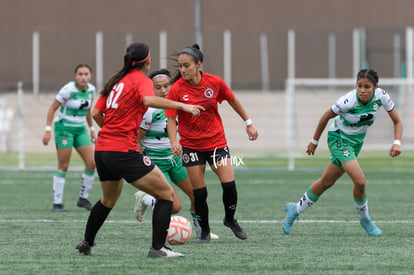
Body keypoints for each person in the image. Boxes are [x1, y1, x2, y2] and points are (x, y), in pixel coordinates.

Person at [75, 42, 203, 258]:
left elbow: (97, 113)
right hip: (123, 151)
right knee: (166, 195)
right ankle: (158, 248)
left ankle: (87, 242)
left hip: (103, 151)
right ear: (148, 61)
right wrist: (182, 106)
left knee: (107, 201)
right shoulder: (140, 81)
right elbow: (147, 99)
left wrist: (111, 133)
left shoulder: (114, 82)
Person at [282, 68, 403, 237]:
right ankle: (365, 220)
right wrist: (314, 141)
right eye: (359, 85)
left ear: (375, 87)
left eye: (367, 86)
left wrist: (396, 143)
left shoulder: (382, 96)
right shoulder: (348, 100)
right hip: (338, 139)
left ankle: (294, 210)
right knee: (360, 181)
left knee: (326, 181)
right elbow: (325, 116)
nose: (362, 90)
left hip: (356, 143)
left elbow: (397, 121)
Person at [165, 44, 259, 243]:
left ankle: (230, 220)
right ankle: (205, 231)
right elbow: (171, 119)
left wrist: (248, 123)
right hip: (191, 146)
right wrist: (174, 141)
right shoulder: (176, 89)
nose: (182, 70)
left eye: (187, 66)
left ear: (198, 64)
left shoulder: (214, 83)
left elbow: (233, 100)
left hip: (216, 143)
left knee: (229, 186)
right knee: (200, 193)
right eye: (180, 66)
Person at [133, 68, 218, 239]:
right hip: (157, 163)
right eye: (158, 87)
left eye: (166, 86)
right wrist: (141, 161)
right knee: (174, 206)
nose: (163, 90)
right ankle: (145, 198)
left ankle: (201, 230)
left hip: (177, 160)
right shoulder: (149, 111)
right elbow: (136, 139)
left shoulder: (180, 105)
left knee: (197, 194)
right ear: (152, 90)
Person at [42, 64, 96, 212]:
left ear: (90, 76)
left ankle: (83, 199)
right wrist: (48, 130)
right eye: (80, 74)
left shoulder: (91, 90)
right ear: (75, 76)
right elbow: (52, 108)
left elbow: (88, 110)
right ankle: (57, 203)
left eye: (86, 74)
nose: (83, 77)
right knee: (63, 165)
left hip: (80, 130)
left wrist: (92, 129)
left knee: (92, 163)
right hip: (64, 129)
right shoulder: (68, 90)